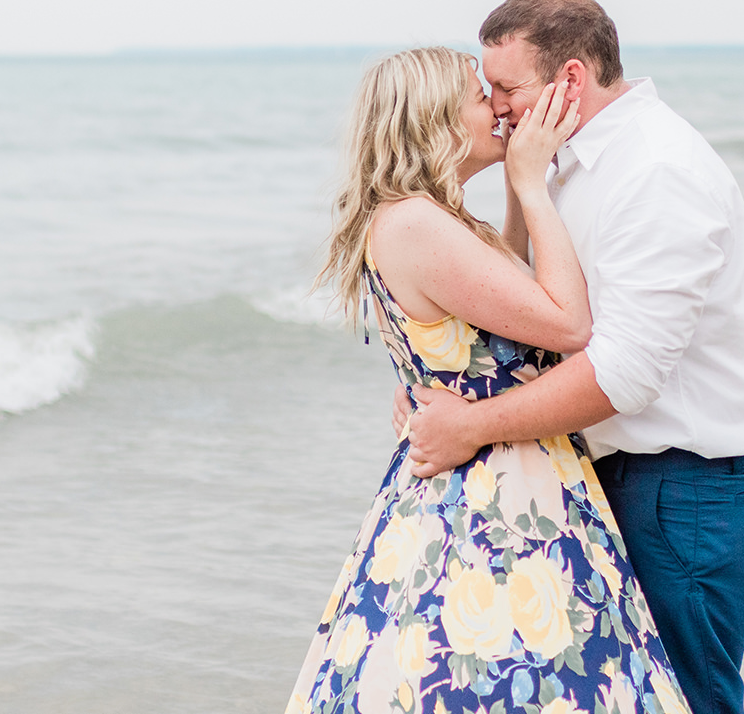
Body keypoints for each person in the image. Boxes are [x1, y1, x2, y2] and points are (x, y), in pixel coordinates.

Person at [398, 0, 744, 714]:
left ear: (570, 78)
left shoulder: (655, 172)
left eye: (507, 87)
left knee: (687, 697)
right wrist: (444, 380)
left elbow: (624, 374)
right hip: (626, 476)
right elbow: (524, 311)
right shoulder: (572, 160)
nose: (498, 106)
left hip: (689, 487)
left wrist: (471, 426)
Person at [286, 46, 692, 714]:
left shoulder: (433, 219)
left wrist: (512, 186)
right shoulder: (416, 223)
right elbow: (565, 324)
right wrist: (533, 183)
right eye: (480, 97)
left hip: (506, 471)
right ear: (439, 122)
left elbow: (513, 301)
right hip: (489, 498)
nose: (498, 109)